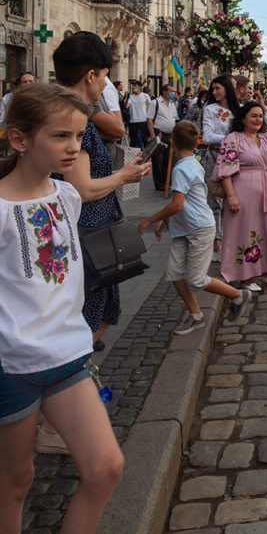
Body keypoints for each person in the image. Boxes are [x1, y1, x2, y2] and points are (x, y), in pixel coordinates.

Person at [0, 82, 124, 532]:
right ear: (19, 139)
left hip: (68, 357)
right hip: (13, 365)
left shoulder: (66, 197)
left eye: (78, 135)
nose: (74, 147)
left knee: (105, 466)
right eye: (60, 136)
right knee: (14, 481)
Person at [53, 33, 150, 351]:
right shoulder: (73, 117)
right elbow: (80, 188)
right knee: (91, 317)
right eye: (106, 76)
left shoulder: (61, 109)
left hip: (87, 231)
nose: (105, 84)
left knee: (101, 314)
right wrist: (124, 175)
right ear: (91, 75)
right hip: (86, 234)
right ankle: (71, 377)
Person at [138, 121, 252, 333]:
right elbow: (180, 200)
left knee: (197, 279)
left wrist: (150, 219)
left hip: (199, 228)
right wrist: (165, 218)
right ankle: (196, 315)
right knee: (174, 273)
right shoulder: (193, 162)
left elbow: (177, 203)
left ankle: (238, 295)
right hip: (185, 227)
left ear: (171, 142)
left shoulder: (181, 169)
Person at [212, 101, 267, 291]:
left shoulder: (266, 138)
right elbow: (225, 170)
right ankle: (245, 277)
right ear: (243, 118)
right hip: (243, 189)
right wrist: (231, 196)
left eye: (260, 116)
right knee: (245, 231)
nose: (258, 119)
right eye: (253, 116)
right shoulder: (233, 139)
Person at [202, 76, 241, 260]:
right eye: (213, 89)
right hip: (215, 157)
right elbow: (208, 136)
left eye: (218, 88)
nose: (215, 92)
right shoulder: (210, 109)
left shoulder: (239, 110)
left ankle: (232, 239)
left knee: (234, 199)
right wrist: (230, 138)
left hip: (237, 159)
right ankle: (217, 239)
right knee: (214, 200)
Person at [149, 84, 179, 193]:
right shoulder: (155, 102)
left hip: (170, 135)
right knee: (158, 159)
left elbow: (174, 119)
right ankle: (159, 183)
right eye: (172, 91)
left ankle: (167, 182)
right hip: (159, 134)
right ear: (165, 92)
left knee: (169, 158)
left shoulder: (172, 104)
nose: (174, 93)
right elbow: (149, 119)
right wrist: (152, 135)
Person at [126, 80, 152, 148]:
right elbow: (127, 105)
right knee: (133, 140)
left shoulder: (145, 96)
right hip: (133, 120)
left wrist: (149, 117)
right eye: (132, 86)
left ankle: (147, 155)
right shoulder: (131, 96)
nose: (133, 87)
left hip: (143, 120)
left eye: (135, 86)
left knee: (144, 139)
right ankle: (132, 154)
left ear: (139, 87)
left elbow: (150, 106)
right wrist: (125, 100)